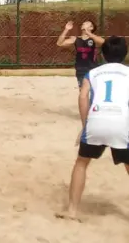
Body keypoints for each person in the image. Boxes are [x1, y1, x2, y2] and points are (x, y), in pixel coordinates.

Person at [56, 36, 129, 222]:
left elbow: (83, 97)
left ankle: (72, 211)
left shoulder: (93, 73)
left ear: (102, 55)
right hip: (121, 123)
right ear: (125, 54)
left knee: (81, 163)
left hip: (96, 120)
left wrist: (84, 125)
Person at [56, 20, 104, 88]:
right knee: (82, 90)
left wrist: (88, 33)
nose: (83, 23)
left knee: (94, 90)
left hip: (93, 68)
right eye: (83, 23)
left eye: (87, 23)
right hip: (81, 68)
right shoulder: (75, 39)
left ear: (91, 27)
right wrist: (66, 29)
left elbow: (103, 42)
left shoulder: (94, 39)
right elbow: (59, 43)